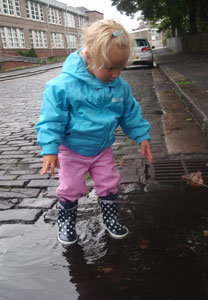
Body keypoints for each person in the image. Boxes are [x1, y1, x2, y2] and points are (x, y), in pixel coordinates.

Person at [36, 19, 152, 246]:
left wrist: (141, 134)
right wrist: (49, 149)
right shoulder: (62, 86)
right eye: (109, 68)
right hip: (71, 150)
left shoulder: (120, 87)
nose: (116, 74)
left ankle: (110, 217)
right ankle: (67, 220)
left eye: (120, 68)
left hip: (102, 148)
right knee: (70, 187)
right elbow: (52, 118)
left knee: (110, 182)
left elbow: (130, 113)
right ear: (89, 57)